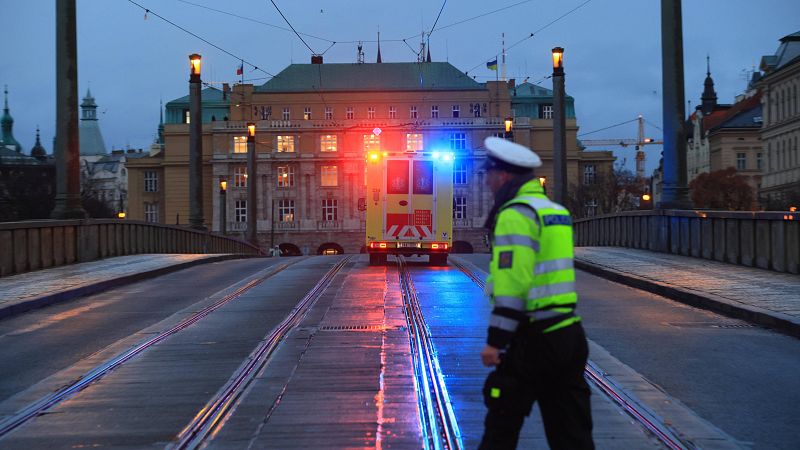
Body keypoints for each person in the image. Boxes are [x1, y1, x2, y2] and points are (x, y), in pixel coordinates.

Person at [478, 137, 594, 450]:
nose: (486, 182)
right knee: (572, 433)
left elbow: (514, 283)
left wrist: (495, 341)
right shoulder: (554, 210)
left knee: (501, 427)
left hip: (534, 338)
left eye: (487, 175)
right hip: (569, 333)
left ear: (502, 176)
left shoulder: (515, 215)